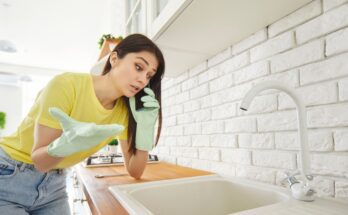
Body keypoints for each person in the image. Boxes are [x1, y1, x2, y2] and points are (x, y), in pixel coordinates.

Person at [0, 33, 165, 215]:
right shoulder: (66, 85)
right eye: (138, 67)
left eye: (149, 75)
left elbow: (135, 171)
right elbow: (40, 162)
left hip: (54, 185)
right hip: (9, 174)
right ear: (114, 58)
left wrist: (145, 130)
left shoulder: (126, 111)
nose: (143, 80)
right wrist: (66, 146)